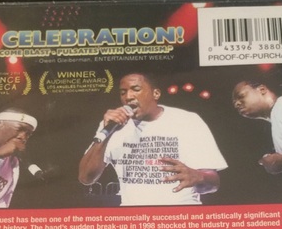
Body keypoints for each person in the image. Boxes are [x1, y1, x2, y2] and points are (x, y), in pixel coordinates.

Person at [79, 73, 227, 206]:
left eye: (136, 89)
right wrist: (107, 133)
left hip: (181, 214)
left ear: (155, 94)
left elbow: (214, 183)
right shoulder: (113, 125)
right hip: (133, 218)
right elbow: (86, 178)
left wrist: (199, 176)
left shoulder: (188, 120)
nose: (128, 96)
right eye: (123, 92)